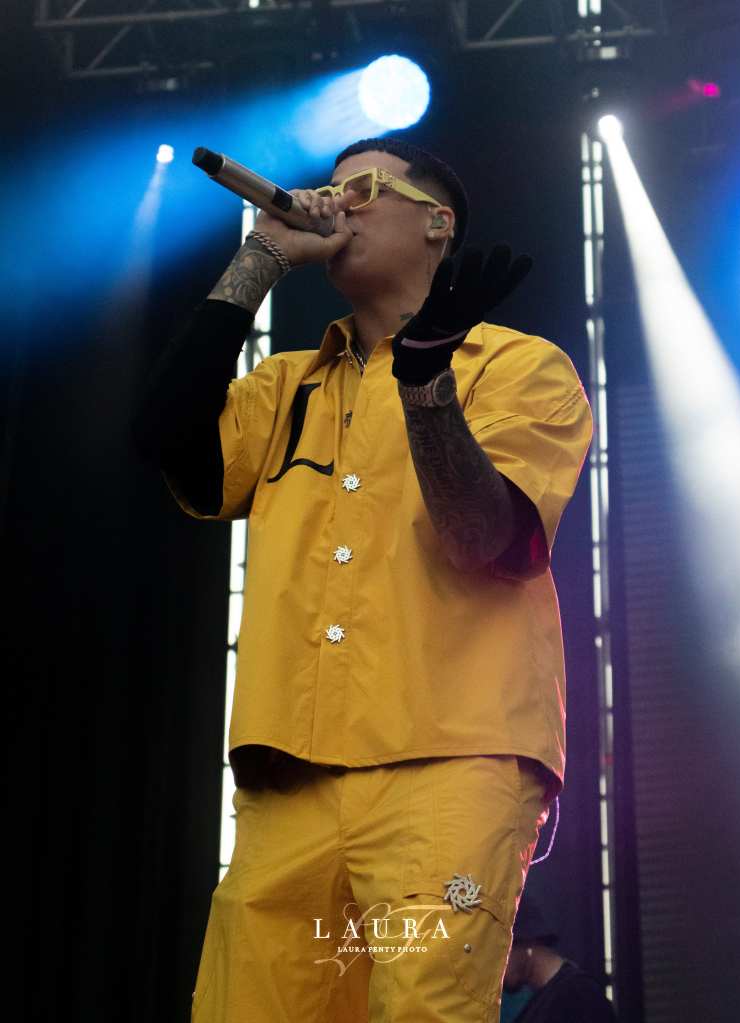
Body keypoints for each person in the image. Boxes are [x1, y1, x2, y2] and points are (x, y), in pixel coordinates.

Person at [132, 136, 594, 1023]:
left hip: (452, 759)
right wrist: (262, 257)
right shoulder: (287, 386)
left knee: (423, 1008)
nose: (335, 204)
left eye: (363, 189)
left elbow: (484, 537)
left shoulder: (519, 367)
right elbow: (160, 438)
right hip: (289, 780)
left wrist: (426, 380)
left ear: (437, 222)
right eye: (327, 190)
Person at [500, 893, 618, 1022]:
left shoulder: (578, 995)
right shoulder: (547, 1002)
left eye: (498, 956)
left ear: (525, 940)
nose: (495, 971)